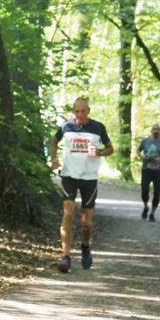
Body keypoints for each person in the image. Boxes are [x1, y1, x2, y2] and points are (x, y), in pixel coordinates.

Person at [50, 97, 114, 273]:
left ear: (88, 111)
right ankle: (65, 257)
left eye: (83, 111)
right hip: (69, 175)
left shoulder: (98, 127)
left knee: (86, 222)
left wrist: (100, 151)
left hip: (89, 178)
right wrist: (54, 158)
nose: (79, 114)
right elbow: (54, 141)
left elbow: (110, 148)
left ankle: (85, 245)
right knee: (68, 213)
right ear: (73, 111)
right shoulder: (66, 127)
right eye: (76, 111)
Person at [138, 124, 160, 222]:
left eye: (158, 129)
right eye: (154, 129)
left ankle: (152, 213)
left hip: (158, 172)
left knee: (157, 193)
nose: (156, 131)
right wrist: (142, 157)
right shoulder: (145, 141)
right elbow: (138, 150)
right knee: (144, 190)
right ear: (151, 131)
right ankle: (145, 207)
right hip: (146, 170)